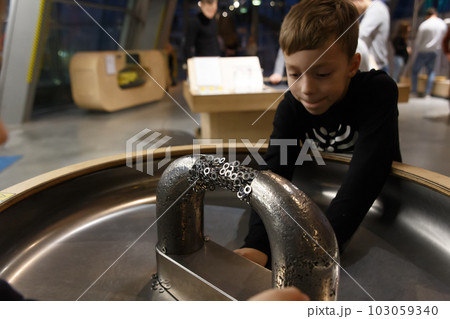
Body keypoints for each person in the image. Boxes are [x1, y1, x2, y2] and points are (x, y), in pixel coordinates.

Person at [234, 0, 401, 268]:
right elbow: (274, 173)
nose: (307, 89)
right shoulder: (291, 106)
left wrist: (321, 246)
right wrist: (257, 243)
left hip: (379, 211)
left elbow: (367, 174)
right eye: (294, 73)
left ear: (352, 65)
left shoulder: (377, 93)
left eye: (322, 73)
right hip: (326, 196)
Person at [411, 7, 447, 97]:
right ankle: (427, 93)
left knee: (415, 71)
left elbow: (418, 41)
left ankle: (414, 91)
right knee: (431, 72)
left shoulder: (424, 25)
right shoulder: (442, 24)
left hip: (423, 51)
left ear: (427, 15)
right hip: (434, 51)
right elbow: (444, 38)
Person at [351, 0, 390, 72]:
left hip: (376, 66)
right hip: (374, 65)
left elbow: (359, 35)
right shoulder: (373, 9)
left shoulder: (376, 9)